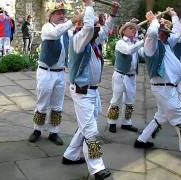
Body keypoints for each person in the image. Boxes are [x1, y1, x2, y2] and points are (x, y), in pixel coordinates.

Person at [134, 8, 181, 163]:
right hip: (163, 88)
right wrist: (153, 21)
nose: (167, 30)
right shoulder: (151, 46)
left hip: (169, 88)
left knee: (161, 116)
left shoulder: (166, 43)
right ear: (159, 32)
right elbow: (151, 34)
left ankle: (141, 140)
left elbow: (177, 33)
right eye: (164, 29)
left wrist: (174, 16)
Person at [62, 1, 119, 179]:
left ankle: (70, 155)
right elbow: (88, 29)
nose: (98, 28)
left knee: (87, 125)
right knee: (91, 130)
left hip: (92, 90)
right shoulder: (78, 39)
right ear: (84, 26)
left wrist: (113, 14)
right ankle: (97, 168)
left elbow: (104, 29)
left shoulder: (93, 42)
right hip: (82, 90)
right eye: (95, 26)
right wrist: (88, 6)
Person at [28, 2, 82, 145]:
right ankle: (37, 130)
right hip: (46, 72)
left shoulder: (68, 32)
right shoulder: (47, 28)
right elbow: (56, 33)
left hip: (60, 73)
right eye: (58, 13)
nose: (62, 15)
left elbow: (78, 38)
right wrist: (73, 20)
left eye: (63, 13)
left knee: (58, 104)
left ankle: (54, 131)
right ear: (51, 16)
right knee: (42, 103)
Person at [106, 20, 144, 133]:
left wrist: (148, 42)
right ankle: (112, 122)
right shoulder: (120, 43)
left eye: (134, 28)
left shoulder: (135, 43)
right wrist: (142, 41)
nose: (134, 30)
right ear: (124, 31)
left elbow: (143, 54)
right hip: (120, 76)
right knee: (116, 99)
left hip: (132, 76)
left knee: (130, 100)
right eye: (130, 28)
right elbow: (128, 51)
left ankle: (126, 122)